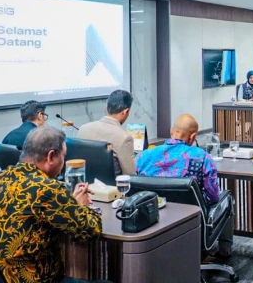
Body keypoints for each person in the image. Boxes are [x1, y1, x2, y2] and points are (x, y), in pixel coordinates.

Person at [0, 126, 102, 283]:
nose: (63, 163)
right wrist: (82, 207)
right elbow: (90, 230)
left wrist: (69, 204)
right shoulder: (48, 189)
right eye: (63, 156)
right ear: (51, 156)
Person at [137, 114, 232, 256]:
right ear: (193, 137)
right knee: (227, 197)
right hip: (192, 224)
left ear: (171, 131)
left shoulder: (144, 156)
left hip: (153, 223)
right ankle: (224, 251)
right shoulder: (202, 157)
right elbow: (213, 196)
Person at [77, 89, 137, 176]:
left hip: (83, 183)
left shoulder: (83, 129)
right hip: (112, 185)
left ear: (106, 108)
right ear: (126, 112)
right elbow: (130, 175)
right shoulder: (124, 138)